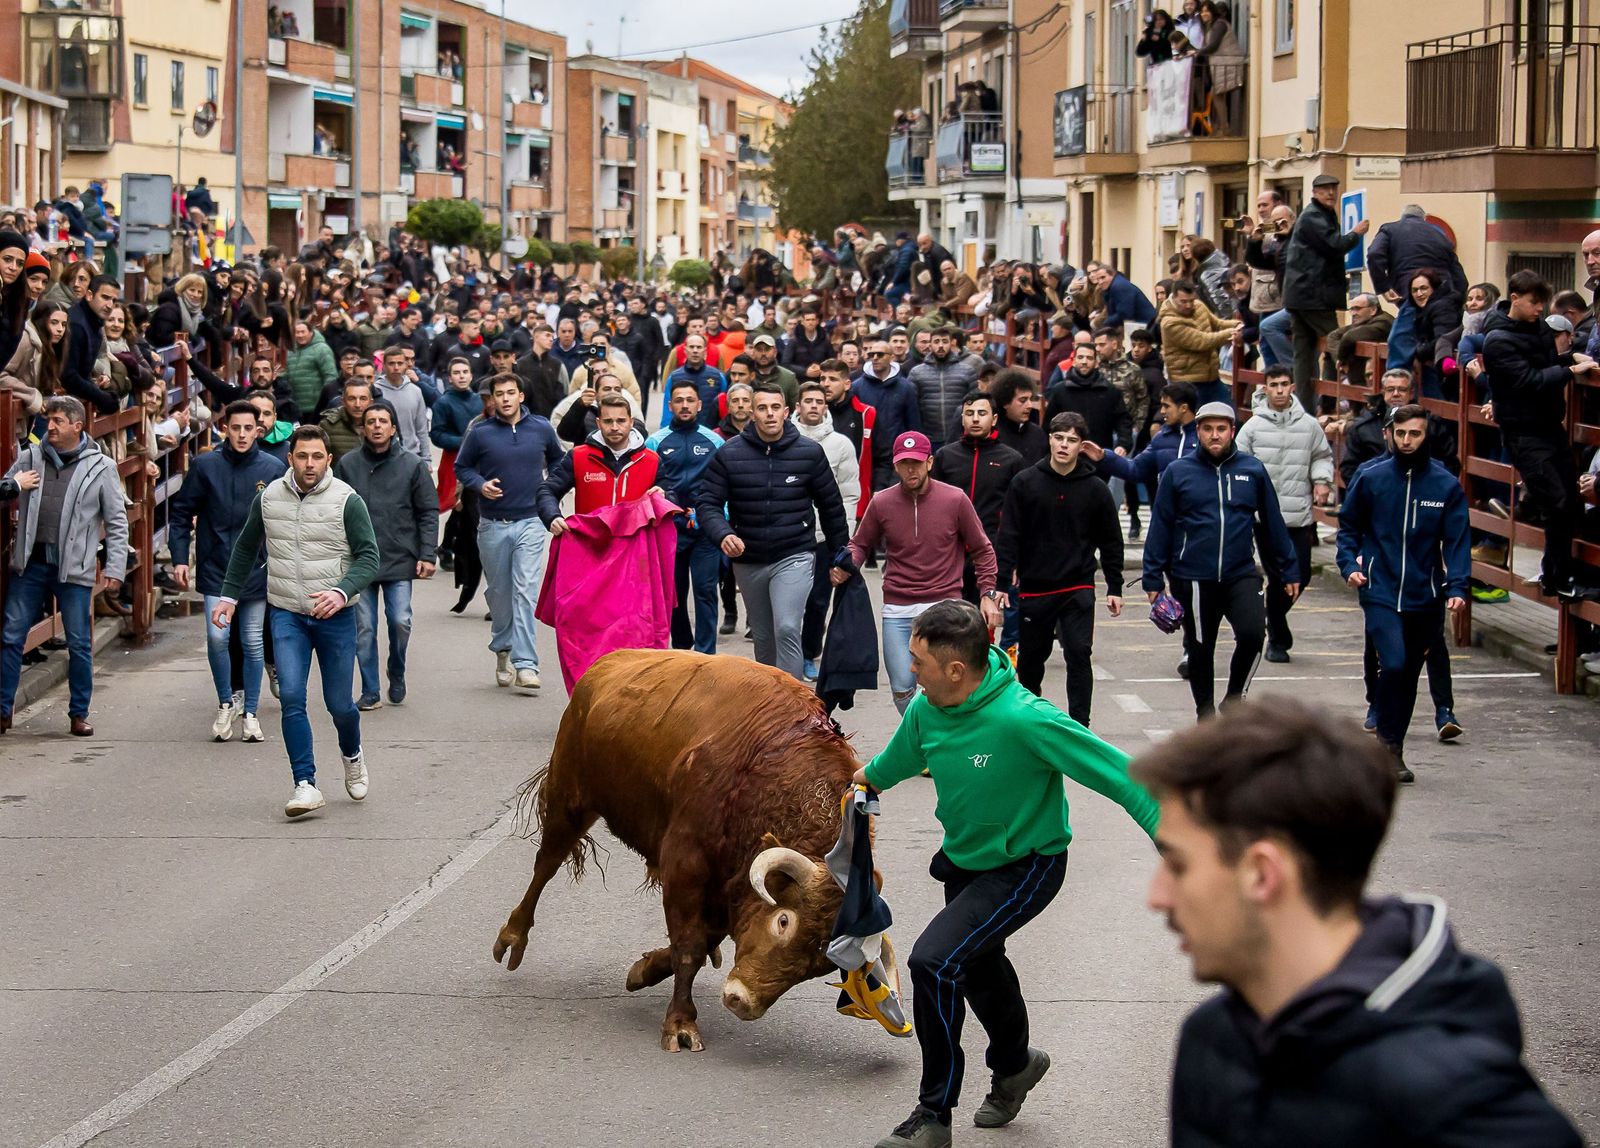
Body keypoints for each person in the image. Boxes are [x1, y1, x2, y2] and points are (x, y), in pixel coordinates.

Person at [1134, 697, 1583, 1147]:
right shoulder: (1214, 1042)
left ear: (1263, 874)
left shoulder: (1463, 1108)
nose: (1157, 898)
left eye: (1177, 866)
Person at [854, 600, 1159, 1148]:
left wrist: (1173, 835)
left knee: (935, 960)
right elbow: (897, 760)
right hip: (966, 862)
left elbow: (1117, 774)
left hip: (1027, 865)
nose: (909, 670)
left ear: (955, 669)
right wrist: (862, 784)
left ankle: (932, 1116)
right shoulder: (926, 710)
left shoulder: (1024, 718)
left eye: (918, 661)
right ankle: (1017, 1064)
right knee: (976, 965)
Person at [213, 425, 379, 819]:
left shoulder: (346, 501)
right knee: (290, 697)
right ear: (290, 458)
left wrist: (340, 592)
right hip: (287, 612)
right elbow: (246, 547)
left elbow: (369, 557)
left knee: (340, 705)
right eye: (302, 456)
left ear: (328, 459)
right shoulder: (269, 497)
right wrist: (228, 596)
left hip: (335, 616)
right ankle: (304, 783)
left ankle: (352, 754)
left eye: (317, 456)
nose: (309, 464)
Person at [1336, 404, 1470, 783]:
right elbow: (1348, 528)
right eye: (1401, 433)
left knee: (1409, 673)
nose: (1407, 441)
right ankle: (1383, 735)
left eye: (1415, 434)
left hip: (1425, 596)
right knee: (1393, 663)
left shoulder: (1444, 485)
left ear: (1426, 436)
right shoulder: (1372, 477)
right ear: (1390, 433)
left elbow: (1458, 541)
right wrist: (1351, 566)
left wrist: (1457, 586)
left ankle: (1392, 748)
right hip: (1379, 589)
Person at [1143, 401, 1300, 719]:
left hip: (1240, 572)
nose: (1215, 435)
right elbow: (1161, 524)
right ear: (1198, 431)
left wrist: (1289, 567)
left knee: (1254, 633)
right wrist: (1152, 577)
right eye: (1207, 429)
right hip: (1193, 577)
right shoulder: (1178, 472)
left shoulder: (1252, 470)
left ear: (1232, 431)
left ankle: (1234, 696)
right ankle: (1205, 712)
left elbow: (1272, 523)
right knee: (1201, 647)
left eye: (1221, 429)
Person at [837, 431, 1000, 713]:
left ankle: (939, 744)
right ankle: (924, 740)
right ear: (895, 465)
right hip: (898, 609)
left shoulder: (955, 499)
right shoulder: (882, 502)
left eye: (916, 462)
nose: (910, 469)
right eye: (904, 463)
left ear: (930, 462)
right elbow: (861, 544)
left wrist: (987, 593)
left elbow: (983, 549)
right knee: (902, 686)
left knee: (946, 685)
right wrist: (845, 564)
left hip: (944, 606)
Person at [697, 382, 849, 681]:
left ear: (787, 412)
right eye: (763, 408)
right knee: (764, 637)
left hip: (794, 554)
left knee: (788, 627)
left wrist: (840, 556)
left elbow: (831, 507)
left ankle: (794, 708)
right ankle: (769, 700)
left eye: (775, 407)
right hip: (748, 558)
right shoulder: (730, 453)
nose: (770, 414)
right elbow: (708, 504)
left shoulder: (809, 453)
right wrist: (723, 534)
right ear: (752, 414)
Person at [1, 397, 128, 738]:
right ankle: (2, 711)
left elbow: (117, 521)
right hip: (31, 563)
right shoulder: (30, 457)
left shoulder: (101, 467)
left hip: (75, 568)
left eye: (57, 420)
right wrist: (15, 484)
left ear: (77, 426)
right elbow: (5, 488)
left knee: (79, 643)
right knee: (11, 635)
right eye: (48, 420)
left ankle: (79, 713)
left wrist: (115, 568)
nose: (50, 427)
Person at [169, 400, 287, 744]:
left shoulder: (273, 467)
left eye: (248, 428)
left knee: (252, 641)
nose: (241, 434)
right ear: (225, 429)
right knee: (218, 638)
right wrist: (180, 558)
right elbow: (181, 513)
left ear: (258, 431)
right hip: (216, 567)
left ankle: (250, 711)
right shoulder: (205, 466)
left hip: (256, 570)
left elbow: (286, 519)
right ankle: (226, 702)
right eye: (235, 428)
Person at [995, 412, 1123, 726]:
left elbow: (1111, 540)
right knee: (1031, 661)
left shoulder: (1095, 489)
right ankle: (1028, 720)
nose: (1064, 445)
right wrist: (1002, 580)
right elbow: (1009, 532)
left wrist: (1115, 587)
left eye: (1072, 440)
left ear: (1082, 445)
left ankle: (1080, 725)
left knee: (1079, 652)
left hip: (1077, 585)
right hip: (1036, 586)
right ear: (1050, 439)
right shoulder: (1025, 482)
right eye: (1059, 437)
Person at [1477, 270, 1594, 599]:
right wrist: (1569, 369)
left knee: (1569, 501)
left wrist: (1570, 356)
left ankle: (1555, 574)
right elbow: (1528, 380)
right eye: (1534, 302)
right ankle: (1555, 576)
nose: (1540, 309)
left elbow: (1545, 363)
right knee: (1556, 500)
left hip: (1549, 427)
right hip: (1523, 432)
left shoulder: (1538, 328)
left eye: (1543, 302)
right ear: (1515, 299)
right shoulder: (1498, 339)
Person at [453, 373, 565, 692]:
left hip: (530, 522)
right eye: (498, 394)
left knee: (525, 592)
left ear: (521, 396)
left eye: (510, 393)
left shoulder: (541, 428)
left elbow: (558, 462)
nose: (504, 399)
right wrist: (480, 485)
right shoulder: (480, 433)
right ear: (492, 399)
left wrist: (548, 490)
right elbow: (462, 468)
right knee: (500, 594)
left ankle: (527, 663)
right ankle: (503, 648)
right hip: (492, 524)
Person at [335, 402, 439, 711]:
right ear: (362, 428)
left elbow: (428, 511)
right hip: (359, 561)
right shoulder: (348, 465)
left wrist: (427, 553)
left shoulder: (412, 465)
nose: (377, 426)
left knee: (400, 620)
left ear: (393, 428)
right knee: (364, 628)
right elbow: (333, 510)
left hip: (399, 556)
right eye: (371, 421)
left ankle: (397, 668)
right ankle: (370, 689)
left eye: (383, 421)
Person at [1234, 365, 1334, 663]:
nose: (1279, 390)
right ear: (1265, 389)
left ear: (1292, 386)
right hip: (1264, 518)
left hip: (1298, 514)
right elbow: (1240, 463)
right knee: (1278, 577)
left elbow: (1322, 456)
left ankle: (1269, 616)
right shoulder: (1252, 427)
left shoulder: (1309, 425)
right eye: (1273, 385)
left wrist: (1321, 481)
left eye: (1284, 384)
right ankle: (1278, 638)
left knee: (1300, 576)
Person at [646, 381, 726, 654]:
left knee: (705, 591)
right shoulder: (656, 441)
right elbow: (648, 483)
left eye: (690, 400)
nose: (684, 405)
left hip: (705, 528)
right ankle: (682, 647)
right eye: (678, 400)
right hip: (671, 529)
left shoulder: (714, 441)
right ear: (670, 406)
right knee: (674, 595)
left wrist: (721, 521)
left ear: (699, 404)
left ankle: (706, 653)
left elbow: (724, 484)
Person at [1283, 174, 1368, 413]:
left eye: (1333, 188)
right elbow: (1335, 245)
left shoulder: (1316, 214)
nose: (1330, 193)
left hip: (1300, 295)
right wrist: (1356, 233)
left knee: (1304, 352)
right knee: (1335, 341)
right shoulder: (1313, 216)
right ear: (1315, 192)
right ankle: (1335, 403)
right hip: (1312, 296)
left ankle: (1307, 407)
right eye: (1325, 190)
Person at [793, 380, 861, 680]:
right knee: (790, 601)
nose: (813, 406)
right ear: (798, 406)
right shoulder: (785, 439)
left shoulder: (841, 444)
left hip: (823, 536)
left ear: (825, 406)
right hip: (791, 535)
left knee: (818, 600)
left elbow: (849, 494)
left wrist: (843, 539)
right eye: (807, 401)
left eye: (818, 402)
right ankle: (788, 654)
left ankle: (809, 653)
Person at [931, 389, 1023, 602]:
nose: (975, 419)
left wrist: (1014, 561)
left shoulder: (1012, 460)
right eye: (969, 413)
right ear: (962, 418)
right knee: (947, 623)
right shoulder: (945, 457)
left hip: (990, 552)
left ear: (994, 419)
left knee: (982, 625)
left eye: (982, 413)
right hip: (948, 553)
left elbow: (1017, 515)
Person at [1366, 203, 1468, 371]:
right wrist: (1455, 298)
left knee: (1400, 341)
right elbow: (1460, 278)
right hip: (1443, 295)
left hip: (1411, 294)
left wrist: (1383, 287)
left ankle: (1396, 383)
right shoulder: (1440, 235)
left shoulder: (1390, 230)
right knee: (1435, 346)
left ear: (1403, 217)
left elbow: (1374, 254)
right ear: (1424, 219)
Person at [537, 393, 661, 530]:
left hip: (634, 548)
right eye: (608, 421)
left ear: (631, 422)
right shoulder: (578, 456)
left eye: (621, 421)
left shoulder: (652, 460)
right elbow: (547, 490)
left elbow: (670, 495)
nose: (614, 427)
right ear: (598, 423)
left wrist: (664, 495)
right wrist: (553, 517)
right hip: (590, 546)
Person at [1157, 278, 1239, 410]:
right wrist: (1232, 333)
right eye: (1183, 302)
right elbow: (1202, 341)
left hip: (1211, 377)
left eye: (1191, 300)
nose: (1189, 305)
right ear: (1173, 297)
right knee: (1196, 422)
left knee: (1229, 414)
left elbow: (1217, 324)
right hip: (1188, 381)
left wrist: (1240, 326)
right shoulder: (1169, 323)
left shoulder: (1199, 305)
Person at [855, 337, 921, 496]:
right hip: (865, 455)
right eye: (871, 354)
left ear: (891, 357)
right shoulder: (857, 386)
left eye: (880, 354)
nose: (875, 358)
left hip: (895, 455)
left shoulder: (906, 387)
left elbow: (913, 424)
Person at [1043, 342, 1133, 457]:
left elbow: (1123, 420)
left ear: (1096, 363)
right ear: (1074, 361)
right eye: (1080, 357)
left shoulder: (1110, 391)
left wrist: (1123, 444)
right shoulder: (1059, 391)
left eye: (1089, 358)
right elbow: (1048, 426)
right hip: (1065, 457)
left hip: (1099, 458)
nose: (1084, 362)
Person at [908, 326, 983, 451]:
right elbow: (912, 407)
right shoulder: (917, 373)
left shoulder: (967, 371)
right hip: (929, 437)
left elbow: (975, 404)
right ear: (930, 345)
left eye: (945, 341)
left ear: (951, 343)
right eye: (936, 342)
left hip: (959, 437)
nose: (941, 346)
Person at [375, 346, 430, 464]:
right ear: (383, 366)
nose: (396, 367)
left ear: (406, 365)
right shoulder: (375, 391)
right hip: (382, 456)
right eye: (391, 363)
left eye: (400, 363)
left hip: (412, 454)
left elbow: (421, 428)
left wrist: (426, 458)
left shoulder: (415, 391)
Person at [662, 333, 726, 427]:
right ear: (685, 350)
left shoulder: (718, 377)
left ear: (705, 351)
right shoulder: (674, 378)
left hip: (710, 433)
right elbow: (667, 412)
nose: (695, 351)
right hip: (681, 432)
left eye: (699, 347)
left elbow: (724, 408)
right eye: (691, 347)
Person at [511, 321, 569, 418]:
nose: (551, 339)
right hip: (526, 420)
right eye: (547, 335)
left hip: (552, 420)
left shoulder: (558, 365)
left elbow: (566, 393)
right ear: (536, 336)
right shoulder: (520, 364)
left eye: (552, 337)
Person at [991, 370, 1045, 465]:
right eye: (1022, 400)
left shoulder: (1038, 434)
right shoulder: (992, 433)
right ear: (1005, 402)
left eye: (1030, 399)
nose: (1029, 405)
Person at [318, 377, 372, 463]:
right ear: (343, 401)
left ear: (370, 402)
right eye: (352, 399)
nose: (357, 404)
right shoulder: (328, 426)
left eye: (363, 399)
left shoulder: (380, 424)